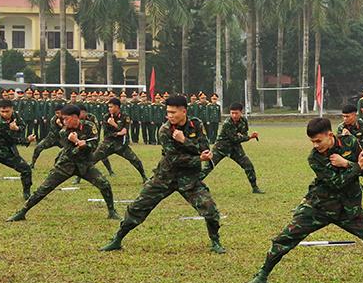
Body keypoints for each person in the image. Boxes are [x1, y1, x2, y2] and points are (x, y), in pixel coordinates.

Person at [240, 116, 363, 283]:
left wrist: (350, 163)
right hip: (319, 206)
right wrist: (357, 166)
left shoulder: (350, 142)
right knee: (285, 238)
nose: (315, 145)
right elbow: (338, 182)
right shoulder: (314, 158)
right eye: (312, 141)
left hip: (349, 208)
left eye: (318, 141)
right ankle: (262, 276)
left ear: (330, 135)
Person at [100, 94, 224, 253]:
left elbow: (204, 146)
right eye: (168, 112)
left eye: (173, 112)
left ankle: (215, 242)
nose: (170, 116)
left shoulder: (196, 124)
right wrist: (198, 156)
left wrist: (185, 141)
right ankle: (117, 239)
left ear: (184, 111)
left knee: (209, 208)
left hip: (189, 178)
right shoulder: (165, 130)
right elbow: (175, 159)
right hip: (165, 176)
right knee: (138, 207)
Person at [7, 104, 118, 221]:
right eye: (63, 119)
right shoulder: (64, 132)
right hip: (66, 164)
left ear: (76, 117)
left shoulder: (90, 126)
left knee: (104, 184)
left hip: (85, 165)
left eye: (66, 119)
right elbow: (71, 152)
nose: (64, 122)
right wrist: (79, 144)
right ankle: (22, 212)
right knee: (44, 189)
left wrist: (81, 143)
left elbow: (94, 144)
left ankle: (112, 212)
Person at [205, 102, 263, 193]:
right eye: (232, 113)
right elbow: (235, 138)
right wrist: (250, 137)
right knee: (207, 167)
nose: (234, 115)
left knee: (248, 165)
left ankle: (255, 188)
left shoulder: (244, 121)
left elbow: (243, 133)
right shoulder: (227, 123)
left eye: (236, 113)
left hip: (235, 148)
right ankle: (193, 185)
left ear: (241, 112)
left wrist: (244, 136)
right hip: (221, 148)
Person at [91, 98, 148, 181]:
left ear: (117, 107)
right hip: (108, 143)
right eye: (108, 107)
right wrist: (118, 132)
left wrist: (114, 124)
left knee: (135, 160)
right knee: (92, 160)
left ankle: (144, 177)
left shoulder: (125, 116)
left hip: (120, 144)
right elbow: (107, 133)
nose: (109, 109)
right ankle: (78, 178)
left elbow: (124, 131)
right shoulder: (106, 117)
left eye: (111, 107)